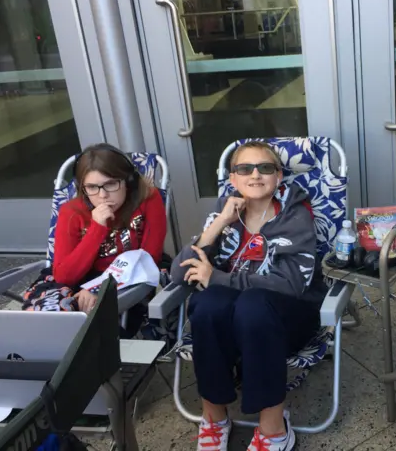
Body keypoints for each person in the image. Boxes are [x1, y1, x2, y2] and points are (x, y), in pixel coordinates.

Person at [170, 141, 325, 451]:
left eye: (265, 168)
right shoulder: (225, 211)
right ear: (233, 179)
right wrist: (218, 225)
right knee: (208, 303)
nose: (255, 175)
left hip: (287, 319)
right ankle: (214, 417)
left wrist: (217, 277)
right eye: (245, 168)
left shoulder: (295, 214)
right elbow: (177, 276)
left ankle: (273, 428)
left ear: (279, 177)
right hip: (233, 321)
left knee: (251, 304)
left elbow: (291, 284)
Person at [23, 143, 167, 327]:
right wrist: (97, 228)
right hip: (77, 277)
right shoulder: (72, 212)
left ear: (128, 181)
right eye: (92, 187)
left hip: (132, 274)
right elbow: (64, 277)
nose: (103, 195)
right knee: (53, 317)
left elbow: (149, 258)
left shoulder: (148, 199)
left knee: (98, 318)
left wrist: (98, 290)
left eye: (111, 184)